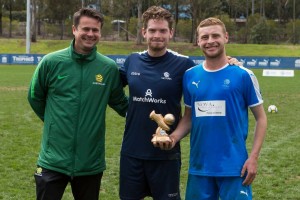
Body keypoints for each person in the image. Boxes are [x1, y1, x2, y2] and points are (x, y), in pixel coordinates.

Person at [118, 6, 240, 200]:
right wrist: (126, 109)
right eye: (152, 30)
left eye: (162, 30)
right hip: (132, 153)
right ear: (144, 32)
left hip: (166, 155)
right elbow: (110, 90)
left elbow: (210, 76)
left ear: (171, 33)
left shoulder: (184, 66)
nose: (157, 35)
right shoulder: (132, 61)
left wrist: (229, 63)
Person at [156, 17, 267, 200]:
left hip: (235, 168)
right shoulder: (190, 76)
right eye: (205, 37)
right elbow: (189, 117)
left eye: (215, 35)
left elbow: (261, 118)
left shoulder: (244, 75)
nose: (210, 41)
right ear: (198, 41)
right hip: (199, 168)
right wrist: (173, 137)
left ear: (226, 37)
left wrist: (253, 157)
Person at [27, 8, 128, 200]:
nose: (90, 34)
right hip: (52, 160)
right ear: (74, 29)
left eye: (95, 30)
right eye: (85, 29)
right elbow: (34, 97)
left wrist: (151, 108)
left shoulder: (108, 68)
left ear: (100, 32)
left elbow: (121, 104)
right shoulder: (51, 61)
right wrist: (52, 122)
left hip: (90, 162)